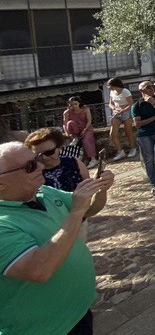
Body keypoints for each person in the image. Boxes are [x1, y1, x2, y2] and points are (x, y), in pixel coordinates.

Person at [0, 141, 113, 334]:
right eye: (30, 166)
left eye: (36, 159)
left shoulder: (44, 192)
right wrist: (76, 211)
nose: (41, 166)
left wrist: (100, 189)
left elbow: (89, 208)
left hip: (78, 313)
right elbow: (39, 270)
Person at [106, 77, 137, 161]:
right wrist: (114, 108)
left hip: (127, 112)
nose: (108, 87)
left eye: (109, 85)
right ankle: (120, 151)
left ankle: (133, 148)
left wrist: (122, 110)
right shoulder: (112, 92)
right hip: (116, 112)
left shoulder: (125, 91)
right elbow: (110, 104)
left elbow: (131, 104)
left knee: (128, 131)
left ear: (115, 85)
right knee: (113, 133)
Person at [63, 96, 98, 169]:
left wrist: (84, 130)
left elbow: (89, 121)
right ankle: (75, 138)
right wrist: (67, 133)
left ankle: (93, 159)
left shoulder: (85, 109)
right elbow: (65, 124)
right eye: (71, 104)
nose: (74, 106)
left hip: (86, 128)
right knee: (70, 123)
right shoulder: (67, 112)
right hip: (76, 129)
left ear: (79, 103)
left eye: (75, 104)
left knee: (86, 141)